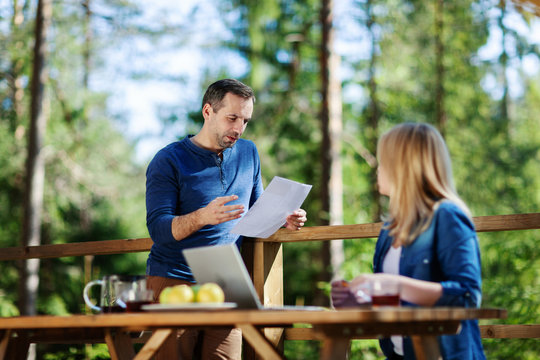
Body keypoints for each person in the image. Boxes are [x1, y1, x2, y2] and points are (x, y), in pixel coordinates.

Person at [145, 78, 307, 360]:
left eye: (245, 120)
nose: (238, 129)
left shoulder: (248, 153)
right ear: (208, 111)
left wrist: (284, 219)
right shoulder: (168, 160)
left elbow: (257, 209)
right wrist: (202, 217)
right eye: (232, 118)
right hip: (174, 280)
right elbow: (159, 229)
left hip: (226, 283)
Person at [331, 122, 485, 360]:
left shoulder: (447, 216)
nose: (378, 169)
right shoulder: (390, 229)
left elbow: (467, 296)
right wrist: (362, 300)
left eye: (384, 161)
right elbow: (401, 304)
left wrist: (386, 283)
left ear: (403, 166)